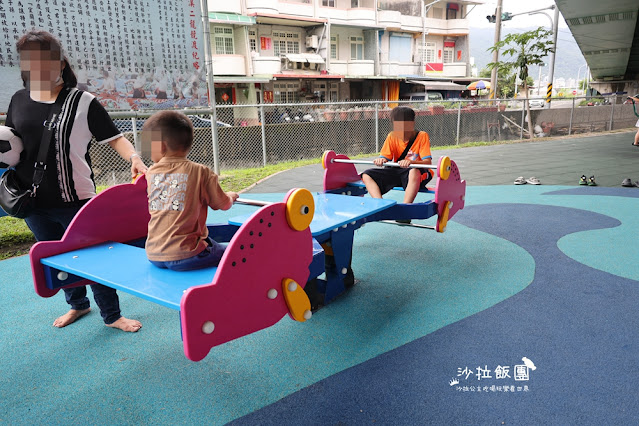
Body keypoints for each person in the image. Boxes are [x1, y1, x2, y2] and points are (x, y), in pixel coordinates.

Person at [5, 30, 147, 332]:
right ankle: (78, 305)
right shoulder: (18, 100)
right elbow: (11, 143)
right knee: (57, 257)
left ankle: (112, 315)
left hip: (77, 202)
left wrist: (134, 157)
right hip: (32, 202)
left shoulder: (83, 101)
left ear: (59, 63)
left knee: (94, 259)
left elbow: (114, 138)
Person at [142, 110, 238, 271]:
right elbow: (224, 205)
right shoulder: (201, 172)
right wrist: (231, 196)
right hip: (187, 255)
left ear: (161, 145)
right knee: (234, 253)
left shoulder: (151, 173)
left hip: (154, 254)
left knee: (210, 242)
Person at [361, 106, 434, 206]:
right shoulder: (392, 136)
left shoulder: (422, 136)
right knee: (366, 175)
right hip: (398, 172)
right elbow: (385, 157)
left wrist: (411, 162)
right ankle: (380, 205)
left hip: (417, 174)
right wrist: (380, 160)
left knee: (413, 171)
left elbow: (428, 163)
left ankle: (406, 207)